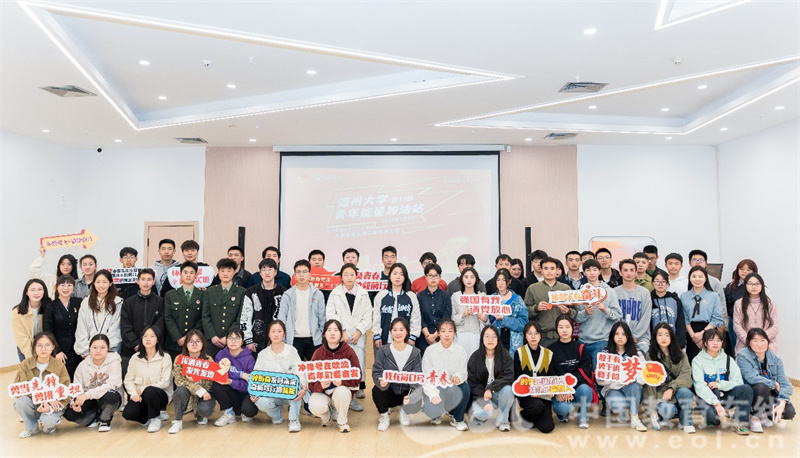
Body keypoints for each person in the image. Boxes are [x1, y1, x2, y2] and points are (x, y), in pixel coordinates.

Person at [326, 262, 373, 409]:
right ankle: (342, 397)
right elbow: (331, 314)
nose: (349, 277)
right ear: (341, 277)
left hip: (358, 336)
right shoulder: (335, 293)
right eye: (346, 274)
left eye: (352, 274)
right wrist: (342, 332)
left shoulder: (363, 293)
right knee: (342, 366)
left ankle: (354, 394)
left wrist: (359, 331)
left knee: (357, 364)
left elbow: (368, 315)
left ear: (357, 276)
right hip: (341, 336)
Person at [691, 328, 752, 435]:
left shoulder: (728, 359)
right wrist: (716, 403)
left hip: (725, 395)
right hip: (708, 398)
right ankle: (711, 418)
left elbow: (738, 381)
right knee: (713, 419)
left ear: (722, 343)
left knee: (746, 389)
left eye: (718, 340)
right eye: (711, 340)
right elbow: (700, 386)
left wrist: (720, 385)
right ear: (705, 342)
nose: (715, 343)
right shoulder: (697, 361)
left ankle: (739, 422)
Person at [251, 320, 306, 432]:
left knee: (298, 386)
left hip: (289, 391)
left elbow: (299, 371)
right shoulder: (262, 354)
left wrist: (304, 387)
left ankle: (294, 420)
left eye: (279, 331)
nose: (276, 334)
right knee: (260, 401)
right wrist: (254, 392)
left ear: (284, 333)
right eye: (273, 331)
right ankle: (276, 415)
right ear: (269, 334)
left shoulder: (291, 350)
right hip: (272, 392)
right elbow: (256, 376)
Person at [737, 328, 795, 432]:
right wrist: (773, 383)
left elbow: (785, 383)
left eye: (763, 340)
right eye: (755, 341)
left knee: (789, 412)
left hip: (769, 394)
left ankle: (765, 414)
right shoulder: (743, 355)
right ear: (749, 342)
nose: (760, 344)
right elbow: (752, 378)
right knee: (761, 387)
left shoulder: (775, 359)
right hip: (752, 393)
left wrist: (783, 402)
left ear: (768, 342)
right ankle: (755, 416)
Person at [308, 319, 361, 433]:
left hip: (340, 392)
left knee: (342, 392)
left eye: (336, 330)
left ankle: (342, 422)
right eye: (329, 330)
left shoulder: (348, 351)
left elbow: (358, 376)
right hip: (324, 393)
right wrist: (320, 385)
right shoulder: (318, 353)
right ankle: (326, 416)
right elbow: (310, 382)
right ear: (324, 334)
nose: (332, 333)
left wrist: (343, 382)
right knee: (314, 405)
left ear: (341, 334)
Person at [13, 332, 70, 438]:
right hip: (33, 402)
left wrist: (50, 402)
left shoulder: (59, 365)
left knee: (48, 424)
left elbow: (65, 389)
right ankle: (31, 428)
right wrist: (44, 397)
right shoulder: (26, 364)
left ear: (53, 347)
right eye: (39, 345)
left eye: (47, 345)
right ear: (34, 347)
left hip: (52, 404)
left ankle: (49, 425)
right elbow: (20, 387)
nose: (43, 349)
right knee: (21, 402)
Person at [372, 317, 424, 431]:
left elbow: (417, 376)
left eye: (401, 329)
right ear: (391, 332)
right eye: (395, 330)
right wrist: (381, 380)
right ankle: (384, 416)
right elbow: (377, 371)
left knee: (418, 393)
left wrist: (411, 394)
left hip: (406, 392)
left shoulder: (415, 352)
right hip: (389, 390)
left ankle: (404, 410)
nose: (398, 333)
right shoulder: (383, 350)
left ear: (407, 332)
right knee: (376, 390)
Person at [64, 334, 123, 432]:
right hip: (90, 400)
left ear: (108, 349)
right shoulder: (83, 365)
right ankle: (93, 419)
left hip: (108, 396)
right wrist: (75, 402)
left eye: (102, 347)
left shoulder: (114, 361)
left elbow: (114, 384)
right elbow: (76, 387)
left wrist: (87, 395)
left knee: (110, 397)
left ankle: (105, 420)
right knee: (69, 413)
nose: (98, 351)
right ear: (89, 349)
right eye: (95, 347)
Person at [644, 324, 695, 433]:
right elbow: (649, 384)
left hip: (677, 391)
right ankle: (664, 416)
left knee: (686, 392)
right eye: (660, 335)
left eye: (667, 335)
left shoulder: (681, 354)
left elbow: (686, 375)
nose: (663, 338)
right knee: (667, 410)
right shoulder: (650, 356)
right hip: (661, 396)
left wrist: (671, 388)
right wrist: (652, 409)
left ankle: (686, 422)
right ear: (655, 337)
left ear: (671, 337)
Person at [421, 319, 471, 431]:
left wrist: (458, 377)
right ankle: (436, 414)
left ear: (454, 333)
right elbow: (426, 376)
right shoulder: (430, 351)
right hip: (437, 387)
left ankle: (458, 419)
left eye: (450, 331)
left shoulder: (461, 350)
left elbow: (463, 371)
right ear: (438, 333)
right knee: (431, 410)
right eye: (443, 331)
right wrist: (433, 394)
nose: (447, 334)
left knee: (465, 389)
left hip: (453, 387)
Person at [122, 327, 173, 432]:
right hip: (141, 396)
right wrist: (133, 394)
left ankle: (155, 419)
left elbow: (166, 382)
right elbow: (128, 380)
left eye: (152, 336)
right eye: (145, 336)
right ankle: (147, 419)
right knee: (128, 413)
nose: (148, 339)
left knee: (150, 391)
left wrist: (143, 388)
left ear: (157, 339)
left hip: (160, 395)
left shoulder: (165, 357)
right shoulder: (135, 358)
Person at [598, 322, 647, 431]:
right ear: (612, 336)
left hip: (632, 389)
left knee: (634, 386)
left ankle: (635, 418)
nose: (620, 337)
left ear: (628, 336)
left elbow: (644, 375)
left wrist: (633, 379)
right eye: (617, 334)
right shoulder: (605, 354)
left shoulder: (637, 353)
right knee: (619, 405)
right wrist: (601, 376)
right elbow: (600, 382)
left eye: (623, 334)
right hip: (613, 389)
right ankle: (622, 412)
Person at [549, 315, 595, 429]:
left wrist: (569, 386)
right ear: (556, 329)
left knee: (586, 390)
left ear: (572, 328)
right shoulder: (550, 349)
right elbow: (550, 373)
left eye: (567, 327)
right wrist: (562, 389)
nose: (564, 330)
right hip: (560, 389)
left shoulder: (580, 347)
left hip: (577, 387)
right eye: (561, 327)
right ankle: (561, 415)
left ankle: (583, 417)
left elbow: (585, 370)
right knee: (563, 408)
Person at [575, 259, 622, 368]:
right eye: (588, 270)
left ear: (599, 271)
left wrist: (605, 310)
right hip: (583, 340)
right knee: (583, 373)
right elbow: (576, 318)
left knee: (600, 374)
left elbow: (618, 316)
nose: (592, 273)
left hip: (602, 340)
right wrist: (585, 313)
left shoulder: (609, 292)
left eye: (595, 270)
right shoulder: (579, 293)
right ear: (584, 273)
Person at [468, 325, 515, 432]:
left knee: (508, 389)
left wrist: (491, 389)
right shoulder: (475, 357)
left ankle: (503, 421)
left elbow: (508, 377)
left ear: (498, 339)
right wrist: (483, 400)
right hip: (481, 394)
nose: (490, 340)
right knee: (482, 413)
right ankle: (479, 417)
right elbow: (473, 383)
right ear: (482, 339)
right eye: (487, 336)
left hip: (497, 393)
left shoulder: (505, 355)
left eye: (494, 336)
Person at [169, 329, 216, 434]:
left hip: (205, 393)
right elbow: (180, 381)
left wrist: (198, 379)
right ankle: (178, 420)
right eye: (191, 341)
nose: (194, 344)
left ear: (203, 344)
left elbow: (210, 382)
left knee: (205, 410)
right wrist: (198, 389)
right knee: (180, 391)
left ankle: (200, 415)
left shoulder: (208, 360)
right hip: (188, 392)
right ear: (186, 344)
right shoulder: (179, 359)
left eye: (198, 341)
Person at [277, 259, 326, 361]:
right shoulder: (288, 295)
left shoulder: (317, 294)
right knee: (295, 368)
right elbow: (282, 318)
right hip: (294, 339)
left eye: (304, 272)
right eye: (298, 272)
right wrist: (283, 338)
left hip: (314, 339)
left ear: (310, 275)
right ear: (294, 275)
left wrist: (323, 337)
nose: (301, 275)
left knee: (315, 368)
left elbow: (322, 318)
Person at [120, 268, 165, 376]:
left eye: (149, 279)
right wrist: (136, 344)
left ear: (153, 282)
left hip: (154, 349)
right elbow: (125, 326)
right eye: (143, 279)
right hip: (131, 350)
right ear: (138, 281)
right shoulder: (128, 302)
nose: (146, 282)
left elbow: (161, 324)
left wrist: (150, 342)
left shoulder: (160, 302)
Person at [512, 322, 555, 433]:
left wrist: (551, 389)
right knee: (537, 406)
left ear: (540, 335)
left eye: (536, 333)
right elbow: (517, 377)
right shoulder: (519, 353)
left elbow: (551, 375)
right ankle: (525, 416)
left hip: (544, 395)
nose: (533, 336)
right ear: (525, 336)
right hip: (527, 395)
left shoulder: (548, 353)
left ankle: (533, 418)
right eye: (530, 333)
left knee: (547, 427)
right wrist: (530, 391)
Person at [212, 328, 258, 426]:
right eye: (230, 338)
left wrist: (232, 382)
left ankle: (242, 410)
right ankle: (228, 413)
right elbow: (220, 373)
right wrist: (241, 375)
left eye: (237, 338)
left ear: (242, 341)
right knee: (217, 384)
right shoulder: (221, 355)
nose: (233, 341)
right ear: (226, 340)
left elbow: (250, 383)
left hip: (245, 392)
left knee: (249, 411)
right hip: (231, 392)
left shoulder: (249, 358)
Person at [202, 258, 246, 358]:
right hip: (212, 341)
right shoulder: (210, 291)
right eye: (222, 271)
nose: (225, 274)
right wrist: (212, 336)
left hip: (233, 340)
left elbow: (240, 317)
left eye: (229, 271)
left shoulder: (242, 292)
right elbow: (205, 316)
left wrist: (228, 337)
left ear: (234, 272)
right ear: (218, 272)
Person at [241, 257, 286, 353]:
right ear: (260, 273)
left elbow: (286, 318)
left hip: (278, 339)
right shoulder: (251, 292)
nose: (267, 273)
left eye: (270, 269)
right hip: (256, 340)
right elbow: (245, 317)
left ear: (275, 272)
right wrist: (248, 340)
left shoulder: (283, 292)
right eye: (264, 270)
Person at [525, 257, 572, 347]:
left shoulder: (565, 288)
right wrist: (536, 308)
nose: (549, 271)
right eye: (546, 268)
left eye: (552, 268)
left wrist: (568, 311)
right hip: (541, 336)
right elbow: (525, 311)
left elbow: (575, 311)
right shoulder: (533, 288)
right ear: (541, 270)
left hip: (562, 336)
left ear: (557, 270)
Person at [680, 266, 724, 362]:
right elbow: (684, 317)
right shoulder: (684, 296)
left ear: (705, 278)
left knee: (710, 359)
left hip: (709, 329)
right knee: (693, 360)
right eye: (694, 276)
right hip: (691, 331)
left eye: (700, 276)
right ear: (689, 278)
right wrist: (693, 336)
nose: (697, 279)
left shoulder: (714, 296)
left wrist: (702, 333)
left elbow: (717, 317)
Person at [75, 270, 123, 357]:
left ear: (110, 283)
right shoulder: (86, 302)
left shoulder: (118, 302)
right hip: (88, 354)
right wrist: (88, 352)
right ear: (94, 283)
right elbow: (81, 329)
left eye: (104, 282)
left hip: (109, 354)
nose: (101, 285)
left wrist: (104, 350)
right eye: (98, 282)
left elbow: (116, 330)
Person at [373, 263, 422, 347]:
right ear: (390, 276)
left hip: (406, 341)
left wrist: (413, 336)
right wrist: (377, 335)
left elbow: (416, 317)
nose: (398, 277)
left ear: (405, 277)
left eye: (401, 274)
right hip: (384, 340)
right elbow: (376, 317)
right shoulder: (381, 295)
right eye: (395, 273)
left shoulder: (411, 296)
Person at [43, 275, 83, 378]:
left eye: (69, 285)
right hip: (59, 350)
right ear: (57, 287)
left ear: (73, 287)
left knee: (79, 378)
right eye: (62, 285)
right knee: (63, 378)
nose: (66, 288)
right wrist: (57, 351)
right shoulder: (50, 306)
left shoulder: (79, 302)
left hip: (77, 349)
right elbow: (48, 331)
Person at [164, 261, 204, 359]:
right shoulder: (170, 295)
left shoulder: (203, 294)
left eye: (191, 273)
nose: (188, 275)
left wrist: (189, 337)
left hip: (195, 343)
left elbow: (203, 317)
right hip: (174, 343)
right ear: (180, 275)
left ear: (196, 276)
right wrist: (177, 337)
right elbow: (168, 317)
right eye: (185, 272)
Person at [733, 273, 778, 354]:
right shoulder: (739, 304)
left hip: (767, 346)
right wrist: (749, 340)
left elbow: (775, 327)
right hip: (745, 345)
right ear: (745, 286)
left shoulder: (770, 304)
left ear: (762, 286)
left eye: (757, 284)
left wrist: (760, 340)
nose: (753, 287)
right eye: (750, 284)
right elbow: (737, 326)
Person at [614, 259, 652, 354]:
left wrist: (634, 335)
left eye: (631, 270)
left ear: (636, 273)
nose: (629, 273)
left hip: (641, 339)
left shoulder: (644, 293)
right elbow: (613, 317)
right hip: (619, 338)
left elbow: (646, 317)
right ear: (620, 273)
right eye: (625, 270)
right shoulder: (614, 292)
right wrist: (623, 336)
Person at [488, 268, 528, 356]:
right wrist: (484, 319)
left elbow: (523, 323)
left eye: (504, 280)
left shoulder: (517, 300)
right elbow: (488, 321)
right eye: (498, 280)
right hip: (495, 337)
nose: (501, 283)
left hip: (513, 339)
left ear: (509, 281)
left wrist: (504, 319)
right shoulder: (490, 299)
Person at [450, 267, 488, 356]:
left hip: (476, 334)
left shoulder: (481, 296)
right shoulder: (456, 296)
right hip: (460, 334)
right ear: (462, 279)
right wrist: (463, 315)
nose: (469, 280)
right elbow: (452, 318)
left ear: (476, 279)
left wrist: (484, 319)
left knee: (475, 359)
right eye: (466, 277)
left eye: (472, 277)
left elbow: (488, 319)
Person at [416, 263, 452, 356]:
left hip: (441, 337)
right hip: (424, 338)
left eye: (436, 276)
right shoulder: (419, 296)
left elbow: (446, 317)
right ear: (425, 277)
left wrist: (435, 335)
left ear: (440, 277)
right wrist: (428, 336)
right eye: (430, 276)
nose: (433, 278)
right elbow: (419, 317)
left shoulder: (446, 296)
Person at [12, 279, 50, 362]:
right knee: (30, 369)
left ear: (44, 291)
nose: (36, 293)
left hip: (47, 348)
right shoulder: (17, 312)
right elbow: (21, 338)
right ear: (26, 292)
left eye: (40, 289)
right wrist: (30, 358)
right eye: (32, 290)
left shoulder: (50, 307)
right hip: (26, 348)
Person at [687, 249, 728, 326]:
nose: (698, 262)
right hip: (690, 325)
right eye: (694, 260)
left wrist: (721, 325)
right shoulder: (686, 281)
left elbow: (722, 304)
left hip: (712, 324)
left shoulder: (715, 282)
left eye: (700, 260)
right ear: (689, 263)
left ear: (706, 263)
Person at [724, 259, 757, 352]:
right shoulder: (730, 286)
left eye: (748, 269)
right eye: (742, 269)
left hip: (754, 322)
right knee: (737, 349)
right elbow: (726, 305)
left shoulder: (759, 287)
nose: (744, 272)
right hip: (735, 322)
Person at [650, 271, 687, 349]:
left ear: (667, 283)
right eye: (657, 281)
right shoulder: (649, 299)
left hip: (673, 342)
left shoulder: (675, 300)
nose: (660, 284)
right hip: (654, 343)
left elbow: (680, 322)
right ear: (652, 283)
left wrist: (679, 344)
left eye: (663, 281)